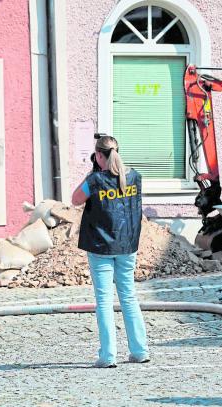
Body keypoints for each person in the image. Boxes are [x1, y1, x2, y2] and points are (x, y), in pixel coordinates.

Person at [71, 134, 149, 368]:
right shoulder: (135, 177)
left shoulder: (95, 181)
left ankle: (108, 356)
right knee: (129, 296)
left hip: (101, 246)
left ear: (98, 155)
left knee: (104, 300)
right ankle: (140, 350)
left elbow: (75, 199)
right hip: (127, 245)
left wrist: (90, 175)